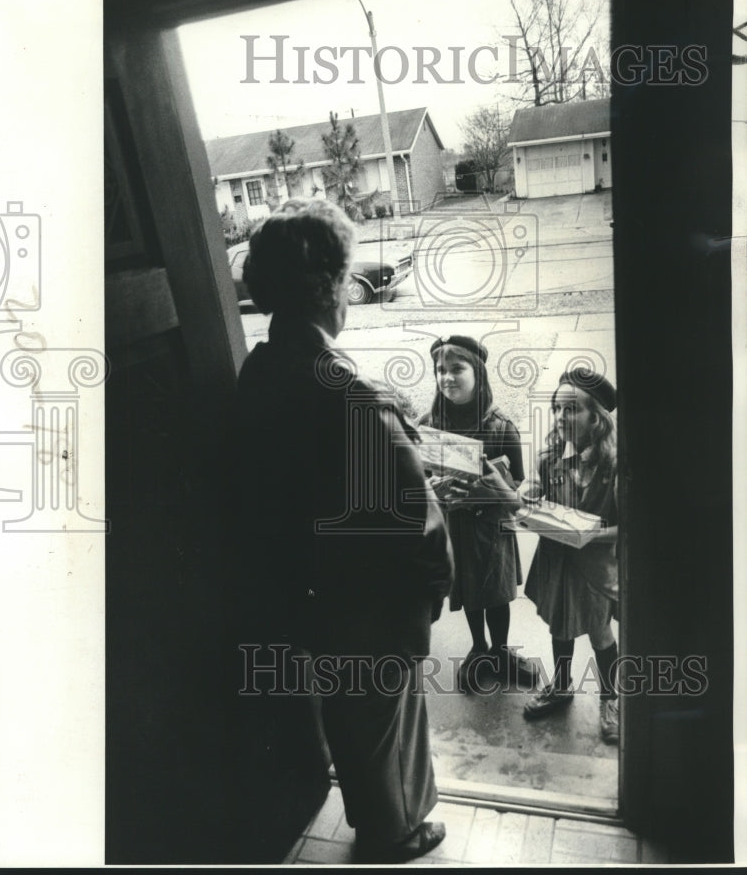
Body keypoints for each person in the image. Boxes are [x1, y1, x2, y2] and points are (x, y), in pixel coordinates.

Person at [234, 198, 454, 863]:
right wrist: (437, 578)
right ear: (331, 287)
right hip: (370, 592)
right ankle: (395, 833)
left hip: (306, 585)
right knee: (385, 720)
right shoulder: (345, 388)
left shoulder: (262, 370)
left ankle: (369, 814)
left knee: (348, 711)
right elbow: (411, 512)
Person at [418, 334, 538, 691]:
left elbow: (518, 486)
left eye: (457, 368)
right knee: (469, 590)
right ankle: (479, 648)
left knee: (497, 593)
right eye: (440, 370)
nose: (447, 377)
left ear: (478, 373)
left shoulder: (501, 427)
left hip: (493, 528)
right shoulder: (428, 425)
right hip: (455, 527)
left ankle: (500, 651)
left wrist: (493, 488)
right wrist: (432, 488)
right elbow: (417, 481)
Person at [522, 368, 619, 745]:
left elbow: (628, 529)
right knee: (559, 626)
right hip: (556, 564)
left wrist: (588, 533)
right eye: (557, 410)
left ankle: (611, 698)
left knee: (599, 631)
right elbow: (532, 488)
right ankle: (561, 686)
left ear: (595, 416)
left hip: (594, 568)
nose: (561, 419)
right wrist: (526, 495)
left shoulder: (614, 465)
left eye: (571, 410)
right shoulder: (550, 456)